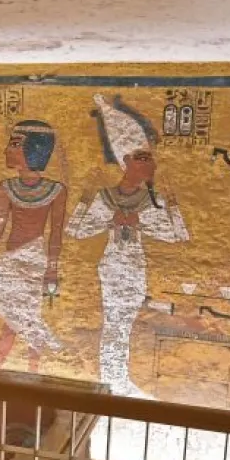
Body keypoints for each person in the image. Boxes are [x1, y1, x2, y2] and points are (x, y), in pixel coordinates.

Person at [66, 95, 188, 396]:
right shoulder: (107, 196)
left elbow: (178, 235)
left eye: (150, 158)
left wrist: (149, 216)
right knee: (115, 325)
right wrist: (102, 212)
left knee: (126, 324)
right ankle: (113, 378)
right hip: (112, 268)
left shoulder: (152, 199)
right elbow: (75, 230)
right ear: (127, 162)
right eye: (143, 158)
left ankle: (117, 376)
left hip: (135, 269)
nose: (151, 164)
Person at [0, 119, 67, 371]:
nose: (6, 150)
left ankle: (31, 372)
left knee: (28, 319)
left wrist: (51, 270)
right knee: (9, 318)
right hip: (10, 261)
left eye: (15, 144)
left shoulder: (56, 190)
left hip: (34, 262)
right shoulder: (6, 188)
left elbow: (55, 234)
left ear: (35, 148)